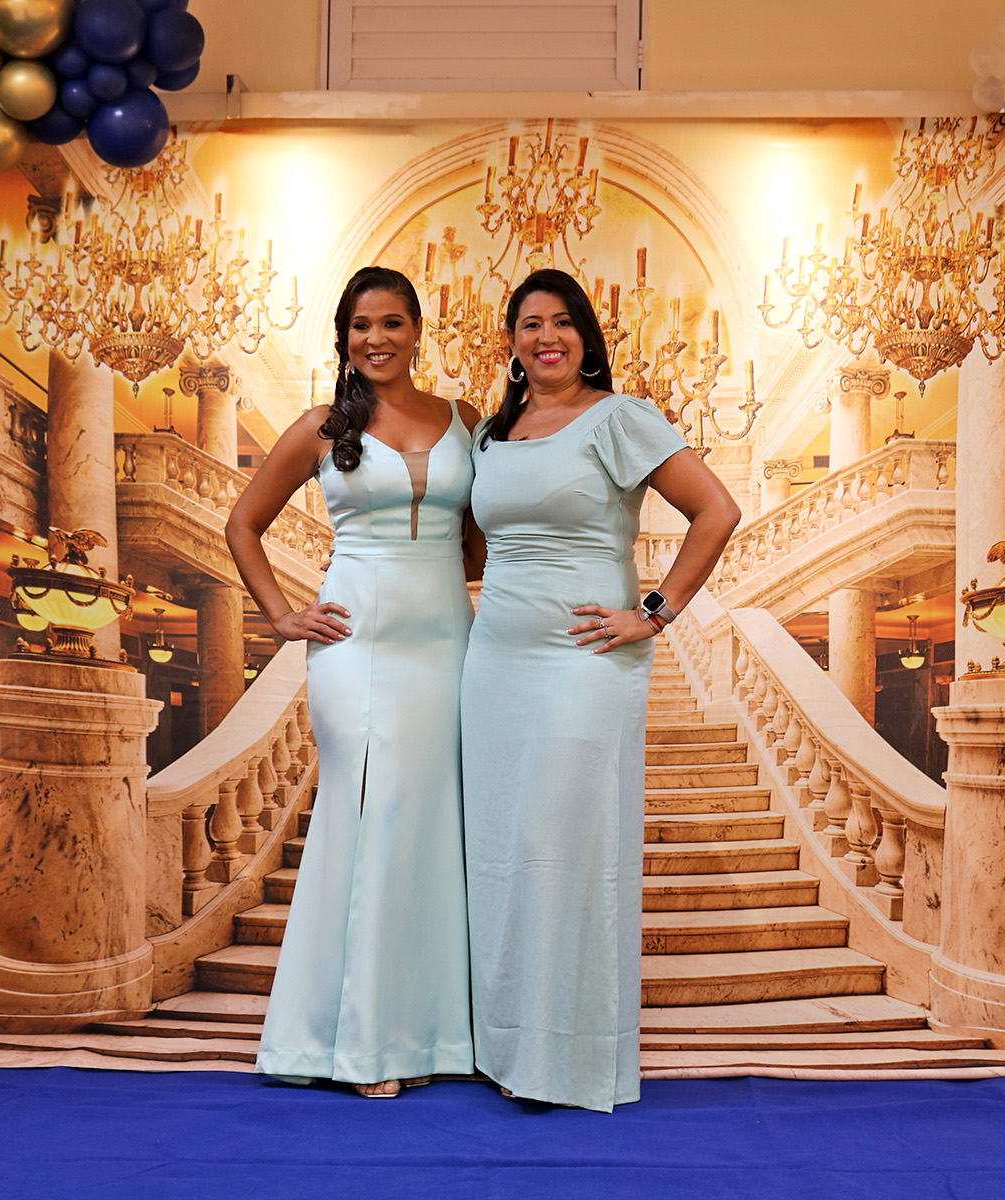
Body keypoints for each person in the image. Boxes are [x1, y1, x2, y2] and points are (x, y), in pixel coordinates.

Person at [461, 268, 741, 1112]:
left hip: (585, 660)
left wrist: (653, 612)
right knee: (500, 849)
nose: (546, 336)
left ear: (586, 335)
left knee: (562, 844)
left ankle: (563, 1058)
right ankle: (505, 1043)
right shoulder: (491, 436)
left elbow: (717, 511)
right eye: (530, 323)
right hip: (495, 662)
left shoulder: (621, 417)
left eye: (562, 322)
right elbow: (473, 545)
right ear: (511, 343)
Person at [224, 266, 482, 1099]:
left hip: (446, 641)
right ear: (343, 339)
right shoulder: (320, 425)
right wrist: (281, 614)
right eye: (362, 326)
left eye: (393, 323)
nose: (378, 338)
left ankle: (433, 1029)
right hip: (355, 642)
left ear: (418, 331)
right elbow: (243, 524)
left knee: (429, 826)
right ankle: (364, 1044)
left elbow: (480, 541)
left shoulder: (466, 420)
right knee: (369, 819)